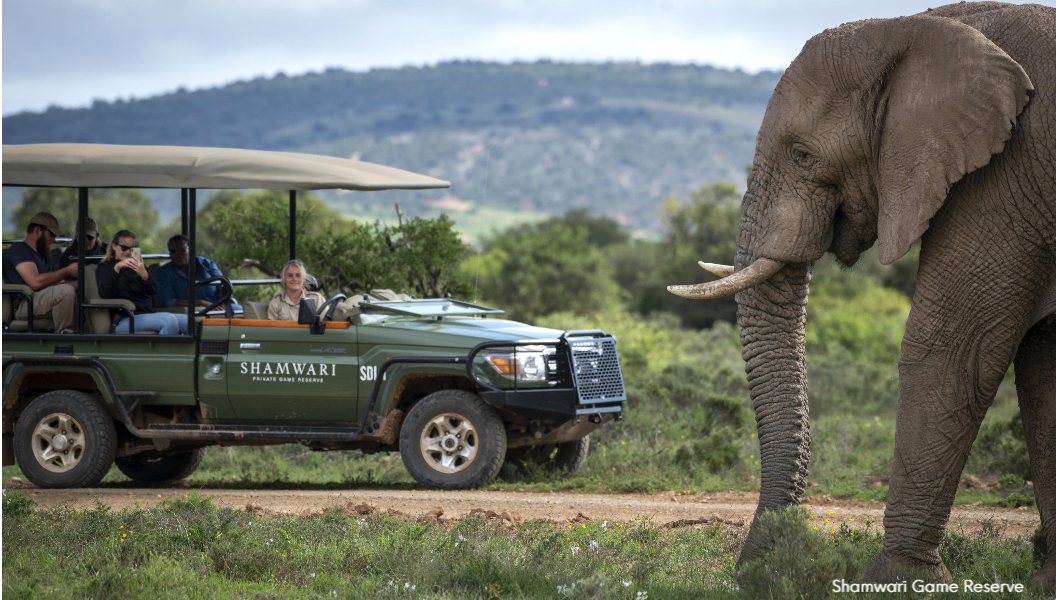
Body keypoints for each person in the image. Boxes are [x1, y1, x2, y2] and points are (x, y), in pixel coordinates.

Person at [96, 230, 188, 335]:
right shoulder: (106, 267)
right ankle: (163, 351)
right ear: (114, 246)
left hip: (148, 314)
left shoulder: (138, 266)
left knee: (189, 321)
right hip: (125, 318)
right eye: (124, 248)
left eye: (131, 249)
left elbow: (154, 290)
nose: (127, 252)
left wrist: (144, 274)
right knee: (168, 320)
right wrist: (117, 268)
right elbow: (105, 294)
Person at [2, 212, 79, 332]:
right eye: (52, 234)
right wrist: (67, 270)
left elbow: (59, 283)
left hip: (42, 300)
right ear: (38, 231)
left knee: (78, 291)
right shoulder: (19, 249)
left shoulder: (43, 257)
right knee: (65, 291)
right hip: (25, 303)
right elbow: (35, 282)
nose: (54, 239)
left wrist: (83, 284)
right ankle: (65, 337)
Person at [155, 234, 240, 311]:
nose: (177, 253)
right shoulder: (164, 272)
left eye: (182, 249)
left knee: (244, 312)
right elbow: (169, 302)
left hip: (218, 306)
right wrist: (202, 303)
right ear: (170, 254)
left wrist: (221, 306)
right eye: (173, 251)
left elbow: (224, 285)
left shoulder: (206, 264)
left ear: (190, 250)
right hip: (190, 311)